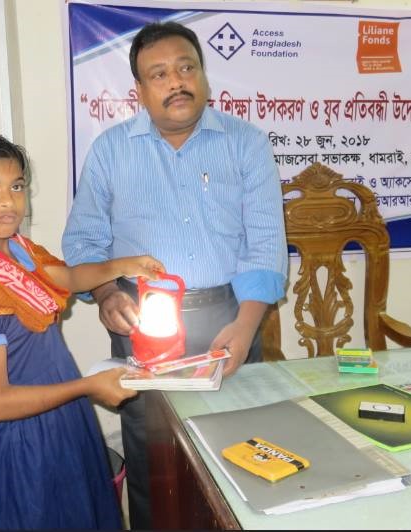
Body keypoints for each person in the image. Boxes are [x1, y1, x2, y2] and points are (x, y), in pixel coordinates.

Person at [62, 20, 288, 528]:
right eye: (158, 74)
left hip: (230, 320)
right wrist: (103, 294)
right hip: (144, 324)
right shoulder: (111, 150)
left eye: (186, 68)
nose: (176, 81)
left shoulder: (246, 143)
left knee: (239, 453)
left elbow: (266, 244)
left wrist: (247, 325)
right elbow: (83, 242)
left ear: (205, 76)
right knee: (153, 459)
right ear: (139, 91)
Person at [0, 133, 165, 530]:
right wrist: (89, 387)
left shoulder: (16, 250)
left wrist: (123, 265)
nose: (8, 200)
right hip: (15, 447)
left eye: (17, 186)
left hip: (57, 423)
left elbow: (68, 276)